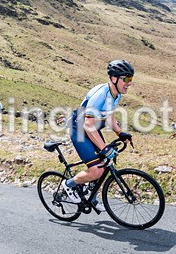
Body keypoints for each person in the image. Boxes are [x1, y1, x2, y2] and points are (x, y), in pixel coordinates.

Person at [57, 60, 134, 205]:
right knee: (96, 170)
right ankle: (68, 185)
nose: (129, 83)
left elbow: (109, 114)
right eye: (126, 79)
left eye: (130, 79)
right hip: (81, 131)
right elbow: (88, 125)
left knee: (105, 163)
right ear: (113, 78)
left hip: (92, 130)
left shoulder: (115, 93)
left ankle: (90, 194)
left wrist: (120, 133)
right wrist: (104, 148)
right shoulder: (101, 95)